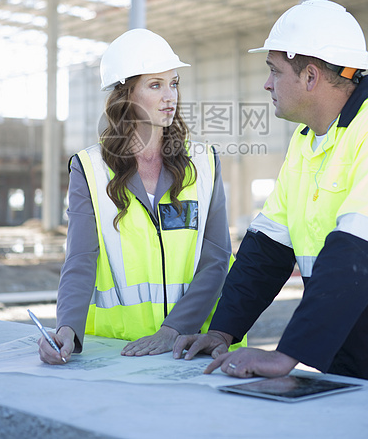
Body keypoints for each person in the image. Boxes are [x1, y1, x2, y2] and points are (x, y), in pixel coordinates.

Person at [173, 0, 368, 384]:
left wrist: (289, 354)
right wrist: (223, 330)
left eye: (274, 71)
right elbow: (267, 247)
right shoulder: (307, 141)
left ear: (310, 76)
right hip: (348, 354)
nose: (267, 83)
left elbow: (358, 252)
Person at [38, 29, 234, 364]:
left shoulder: (204, 162)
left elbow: (216, 259)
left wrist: (174, 328)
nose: (170, 96)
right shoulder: (89, 169)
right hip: (119, 354)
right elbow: (81, 259)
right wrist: (68, 328)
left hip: (193, 348)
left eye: (174, 83)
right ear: (125, 96)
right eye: (155, 85)